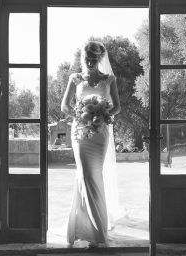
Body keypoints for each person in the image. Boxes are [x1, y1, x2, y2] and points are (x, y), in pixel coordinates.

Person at [61, 41, 121, 248]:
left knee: (93, 176)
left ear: (100, 59)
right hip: (80, 132)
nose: (90, 61)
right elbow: (64, 106)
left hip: (100, 133)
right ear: (83, 57)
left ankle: (88, 229)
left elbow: (117, 108)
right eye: (88, 57)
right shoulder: (75, 78)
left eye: (94, 58)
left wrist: (102, 113)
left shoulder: (109, 79)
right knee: (85, 174)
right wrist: (81, 115)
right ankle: (93, 231)